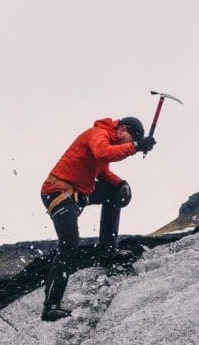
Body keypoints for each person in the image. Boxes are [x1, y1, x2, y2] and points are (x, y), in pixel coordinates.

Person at [39, 117, 156, 321]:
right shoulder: (98, 135)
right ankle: (50, 307)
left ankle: (107, 251)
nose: (128, 143)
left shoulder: (108, 141)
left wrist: (122, 184)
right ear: (122, 130)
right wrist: (136, 146)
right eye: (130, 138)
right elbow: (103, 153)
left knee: (113, 192)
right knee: (69, 245)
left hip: (77, 194)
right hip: (57, 192)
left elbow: (103, 173)